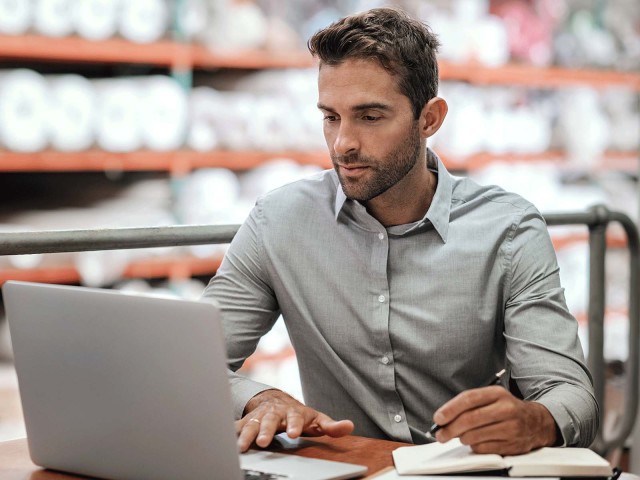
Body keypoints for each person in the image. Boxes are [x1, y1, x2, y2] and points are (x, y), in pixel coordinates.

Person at [202, 7, 598, 456]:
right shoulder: (279, 222)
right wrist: (259, 397)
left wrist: (535, 420)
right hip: (344, 470)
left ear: (429, 119)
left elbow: (573, 396)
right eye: (331, 116)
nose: (342, 143)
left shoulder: (508, 232)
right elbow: (193, 362)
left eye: (369, 117)